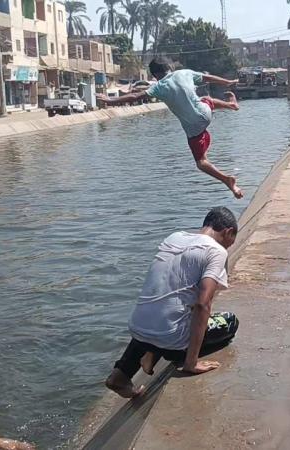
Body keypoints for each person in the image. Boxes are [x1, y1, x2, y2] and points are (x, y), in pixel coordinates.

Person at [106, 207, 241, 398]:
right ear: (227, 232)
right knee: (231, 321)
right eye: (230, 243)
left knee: (159, 315)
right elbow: (203, 305)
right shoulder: (216, 251)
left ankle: (120, 375)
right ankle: (164, 352)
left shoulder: (175, 236)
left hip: (138, 327)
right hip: (170, 338)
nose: (228, 248)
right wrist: (191, 363)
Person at [96, 58, 243, 198]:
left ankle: (227, 180)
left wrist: (110, 100)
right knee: (207, 100)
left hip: (194, 129)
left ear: (155, 75)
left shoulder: (159, 87)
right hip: (206, 114)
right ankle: (231, 105)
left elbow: (135, 97)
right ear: (169, 67)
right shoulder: (185, 73)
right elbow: (207, 78)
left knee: (201, 162)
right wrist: (228, 82)